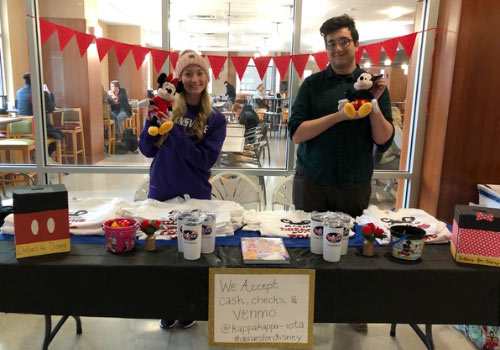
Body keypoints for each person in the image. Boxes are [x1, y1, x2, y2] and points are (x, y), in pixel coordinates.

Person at [139, 50, 226, 330]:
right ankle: (167, 306)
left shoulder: (216, 119)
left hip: (196, 193)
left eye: (199, 73)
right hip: (162, 188)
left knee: (194, 254)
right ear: (179, 77)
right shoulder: (164, 106)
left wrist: (173, 130)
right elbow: (146, 149)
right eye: (188, 73)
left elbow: (205, 161)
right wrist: (151, 122)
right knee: (163, 254)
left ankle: (189, 307)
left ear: (207, 78)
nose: (194, 78)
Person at [289, 14, 394, 219]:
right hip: (312, 183)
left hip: (354, 186)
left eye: (344, 41)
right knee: (305, 245)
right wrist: (339, 116)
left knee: (350, 247)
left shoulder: (372, 85)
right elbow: (296, 134)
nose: (338, 48)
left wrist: (373, 104)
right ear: (326, 48)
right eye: (331, 43)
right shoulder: (312, 85)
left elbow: (383, 140)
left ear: (356, 44)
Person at [16, 73, 64, 157]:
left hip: (23, 128)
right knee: (59, 135)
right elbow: (51, 108)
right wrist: (50, 94)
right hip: (39, 127)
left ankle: (39, 157)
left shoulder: (19, 92)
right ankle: (45, 157)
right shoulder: (41, 93)